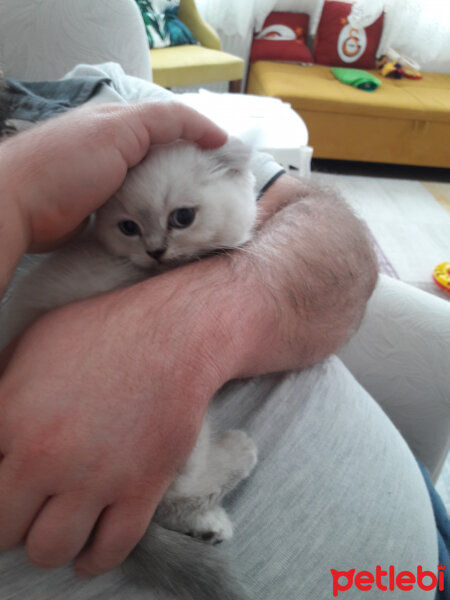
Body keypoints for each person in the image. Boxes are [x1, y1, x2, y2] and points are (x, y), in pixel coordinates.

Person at [0, 99, 439, 599]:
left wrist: (193, 331)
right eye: (130, 230)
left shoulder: (115, 113)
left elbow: (327, 229)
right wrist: (11, 190)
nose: (157, 250)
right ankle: (185, 498)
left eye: (181, 219)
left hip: (422, 534)